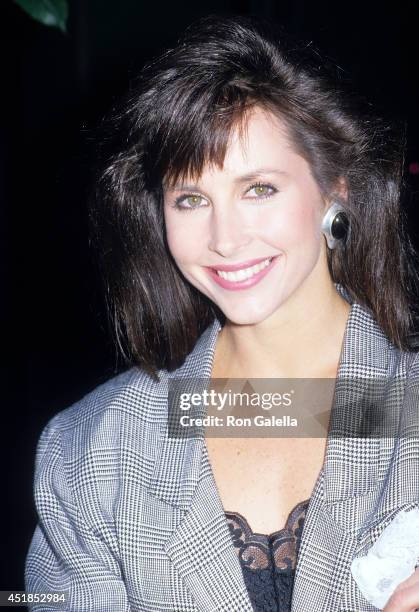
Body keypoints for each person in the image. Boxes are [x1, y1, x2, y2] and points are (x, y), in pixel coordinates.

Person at [25, 14, 419, 612]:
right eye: (191, 198)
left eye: (259, 188)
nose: (225, 238)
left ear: (334, 188)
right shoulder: (92, 451)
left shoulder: (405, 402)